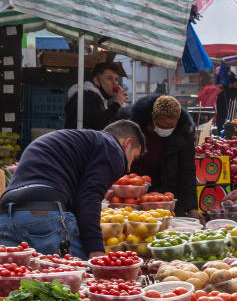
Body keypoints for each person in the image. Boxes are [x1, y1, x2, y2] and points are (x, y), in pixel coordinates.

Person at [0, 121, 144, 258]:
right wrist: (96, 249)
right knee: (77, 275)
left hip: (6, 214)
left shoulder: (81, 141)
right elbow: (89, 196)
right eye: (134, 157)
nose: (129, 168)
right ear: (127, 143)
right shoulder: (112, 148)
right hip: (44, 214)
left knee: (14, 280)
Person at [125, 95, 201, 219]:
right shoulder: (134, 128)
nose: (167, 130)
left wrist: (191, 207)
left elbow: (187, 171)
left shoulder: (184, 133)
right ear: (153, 117)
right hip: (135, 194)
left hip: (166, 196)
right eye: (163, 126)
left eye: (171, 127)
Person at [65, 62, 128, 130]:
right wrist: (117, 104)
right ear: (96, 81)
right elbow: (97, 124)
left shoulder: (98, 98)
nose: (115, 83)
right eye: (110, 78)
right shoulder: (87, 96)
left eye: (116, 79)